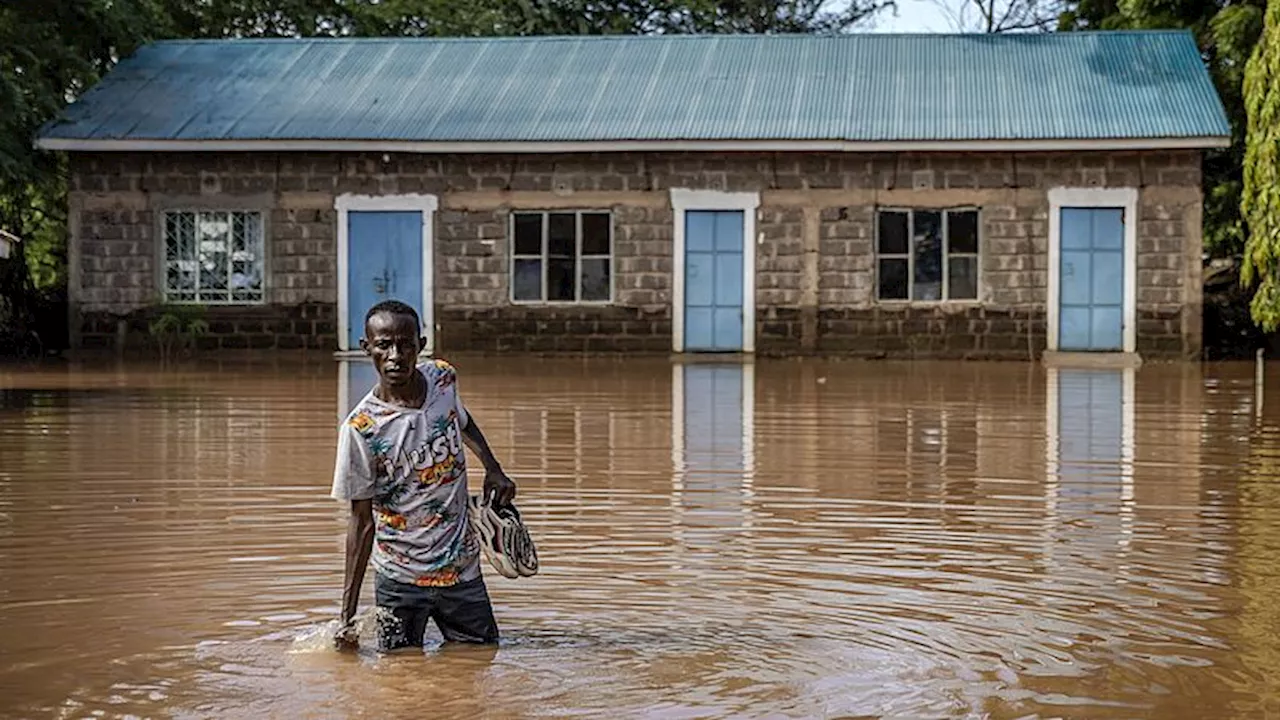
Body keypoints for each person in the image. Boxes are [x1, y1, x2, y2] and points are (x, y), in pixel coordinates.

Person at [331, 299, 517, 652]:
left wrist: (493, 467)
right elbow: (360, 524)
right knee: (400, 678)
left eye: (405, 344)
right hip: (400, 579)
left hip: (461, 570)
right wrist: (347, 618)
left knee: (479, 659)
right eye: (384, 344)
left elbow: (459, 419)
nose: (395, 355)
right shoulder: (362, 430)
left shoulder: (443, 378)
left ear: (421, 344)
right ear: (365, 347)